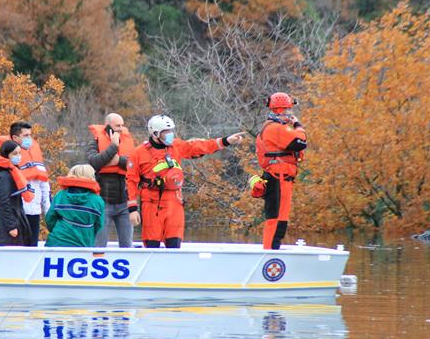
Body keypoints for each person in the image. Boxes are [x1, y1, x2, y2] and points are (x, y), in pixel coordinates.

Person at [126, 115, 245, 249]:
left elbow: (200, 147)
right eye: (166, 132)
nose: (170, 134)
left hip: (174, 202)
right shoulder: (138, 153)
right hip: (151, 203)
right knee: (152, 243)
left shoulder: (176, 145)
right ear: (155, 133)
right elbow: (131, 181)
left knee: (174, 243)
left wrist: (226, 141)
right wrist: (132, 209)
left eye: (171, 131)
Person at [256, 92, 307, 250]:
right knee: (275, 219)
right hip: (277, 177)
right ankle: (270, 253)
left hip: (281, 177)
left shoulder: (277, 127)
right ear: (281, 109)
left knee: (280, 219)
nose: (290, 114)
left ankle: (273, 250)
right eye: (288, 110)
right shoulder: (275, 128)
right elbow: (300, 142)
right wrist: (298, 125)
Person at [0, 122, 51, 246]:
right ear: (15, 138)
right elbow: (4, 197)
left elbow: (44, 185)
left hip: (34, 211)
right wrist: (11, 224)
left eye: (30, 135)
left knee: (32, 248)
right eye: (26, 135)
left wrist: (47, 211)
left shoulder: (35, 156)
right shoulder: (7, 162)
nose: (29, 139)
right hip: (18, 214)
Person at [87, 113, 135, 248]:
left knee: (127, 245)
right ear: (108, 126)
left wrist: (118, 160)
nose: (121, 128)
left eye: (122, 125)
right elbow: (94, 163)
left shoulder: (128, 140)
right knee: (99, 244)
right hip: (103, 203)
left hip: (125, 202)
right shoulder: (95, 142)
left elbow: (135, 165)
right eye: (117, 125)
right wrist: (113, 146)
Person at [0, 140, 34, 246]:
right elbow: (4, 201)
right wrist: (11, 226)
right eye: (15, 154)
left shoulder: (10, 171)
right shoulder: (4, 176)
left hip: (15, 215)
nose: (18, 156)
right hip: (6, 221)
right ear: (7, 155)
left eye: (19, 153)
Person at [45, 164, 105, 247]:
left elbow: (50, 219)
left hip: (56, 242)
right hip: (83, 244)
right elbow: (99, 225)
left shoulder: (60, 195)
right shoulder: (97, 200)